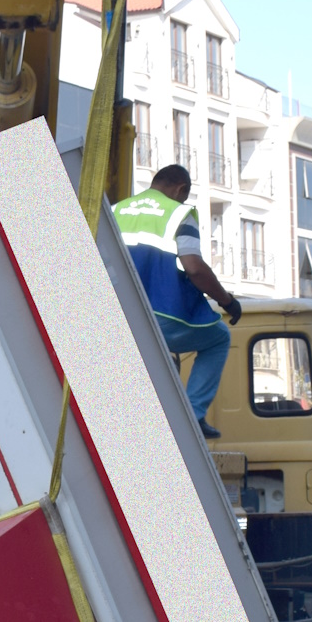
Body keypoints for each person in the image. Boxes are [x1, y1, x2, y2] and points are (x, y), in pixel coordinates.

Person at [114, 165, 243, 438]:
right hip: (161, 315)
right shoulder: (180, 212)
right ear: (180, 190)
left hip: (117, 315)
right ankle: (193, 415)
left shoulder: (116, 209)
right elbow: (194, 267)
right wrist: (227, 301)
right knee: (218, 338)